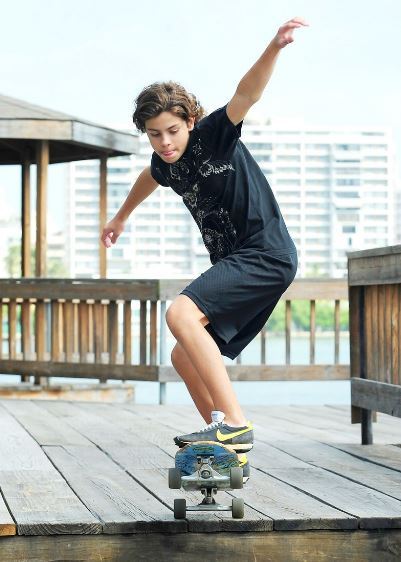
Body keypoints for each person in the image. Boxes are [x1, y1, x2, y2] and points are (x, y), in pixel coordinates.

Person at [101, 17, 308, 470]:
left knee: (179, 314)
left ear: (189, 122)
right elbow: (149, 176)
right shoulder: (165, 162)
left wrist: (274, 47)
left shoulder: (214, 135)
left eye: (172, 131)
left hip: (265, 252)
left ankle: (234, 422)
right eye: (155, 134)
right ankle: (226, 442)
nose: (165, 142)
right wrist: (121, 216)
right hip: (244, 261)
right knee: (182, 354)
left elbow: (247, 94)